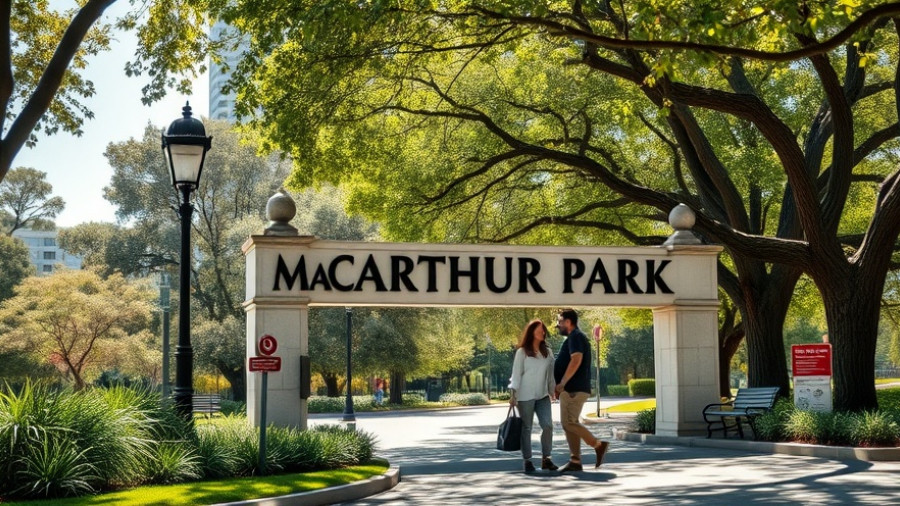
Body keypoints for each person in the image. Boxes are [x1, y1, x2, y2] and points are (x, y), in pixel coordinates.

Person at [553, 308, 609, 472]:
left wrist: (562, 382)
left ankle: (598, 445)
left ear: (568, 322)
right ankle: (575, 460)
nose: (558, 325)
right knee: (569, 424)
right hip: (571, 389)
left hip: (573, 389)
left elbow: (576, 359)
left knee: (569, 423)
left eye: (560, 322)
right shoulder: (574, 337)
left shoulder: (576, 337)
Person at [508, 319, 558, 473]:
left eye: (543, 330)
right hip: (525, 396)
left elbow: (550, 375)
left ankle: (546, 459)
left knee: (548, 425)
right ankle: (527, 460)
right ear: (532, 333)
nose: (542, 332)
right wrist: (513, 394)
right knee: (526, 428)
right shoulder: (522, 352)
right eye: (539, 330)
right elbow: (516, 375)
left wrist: (552, 390)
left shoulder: (547, 352)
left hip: (542, 395)